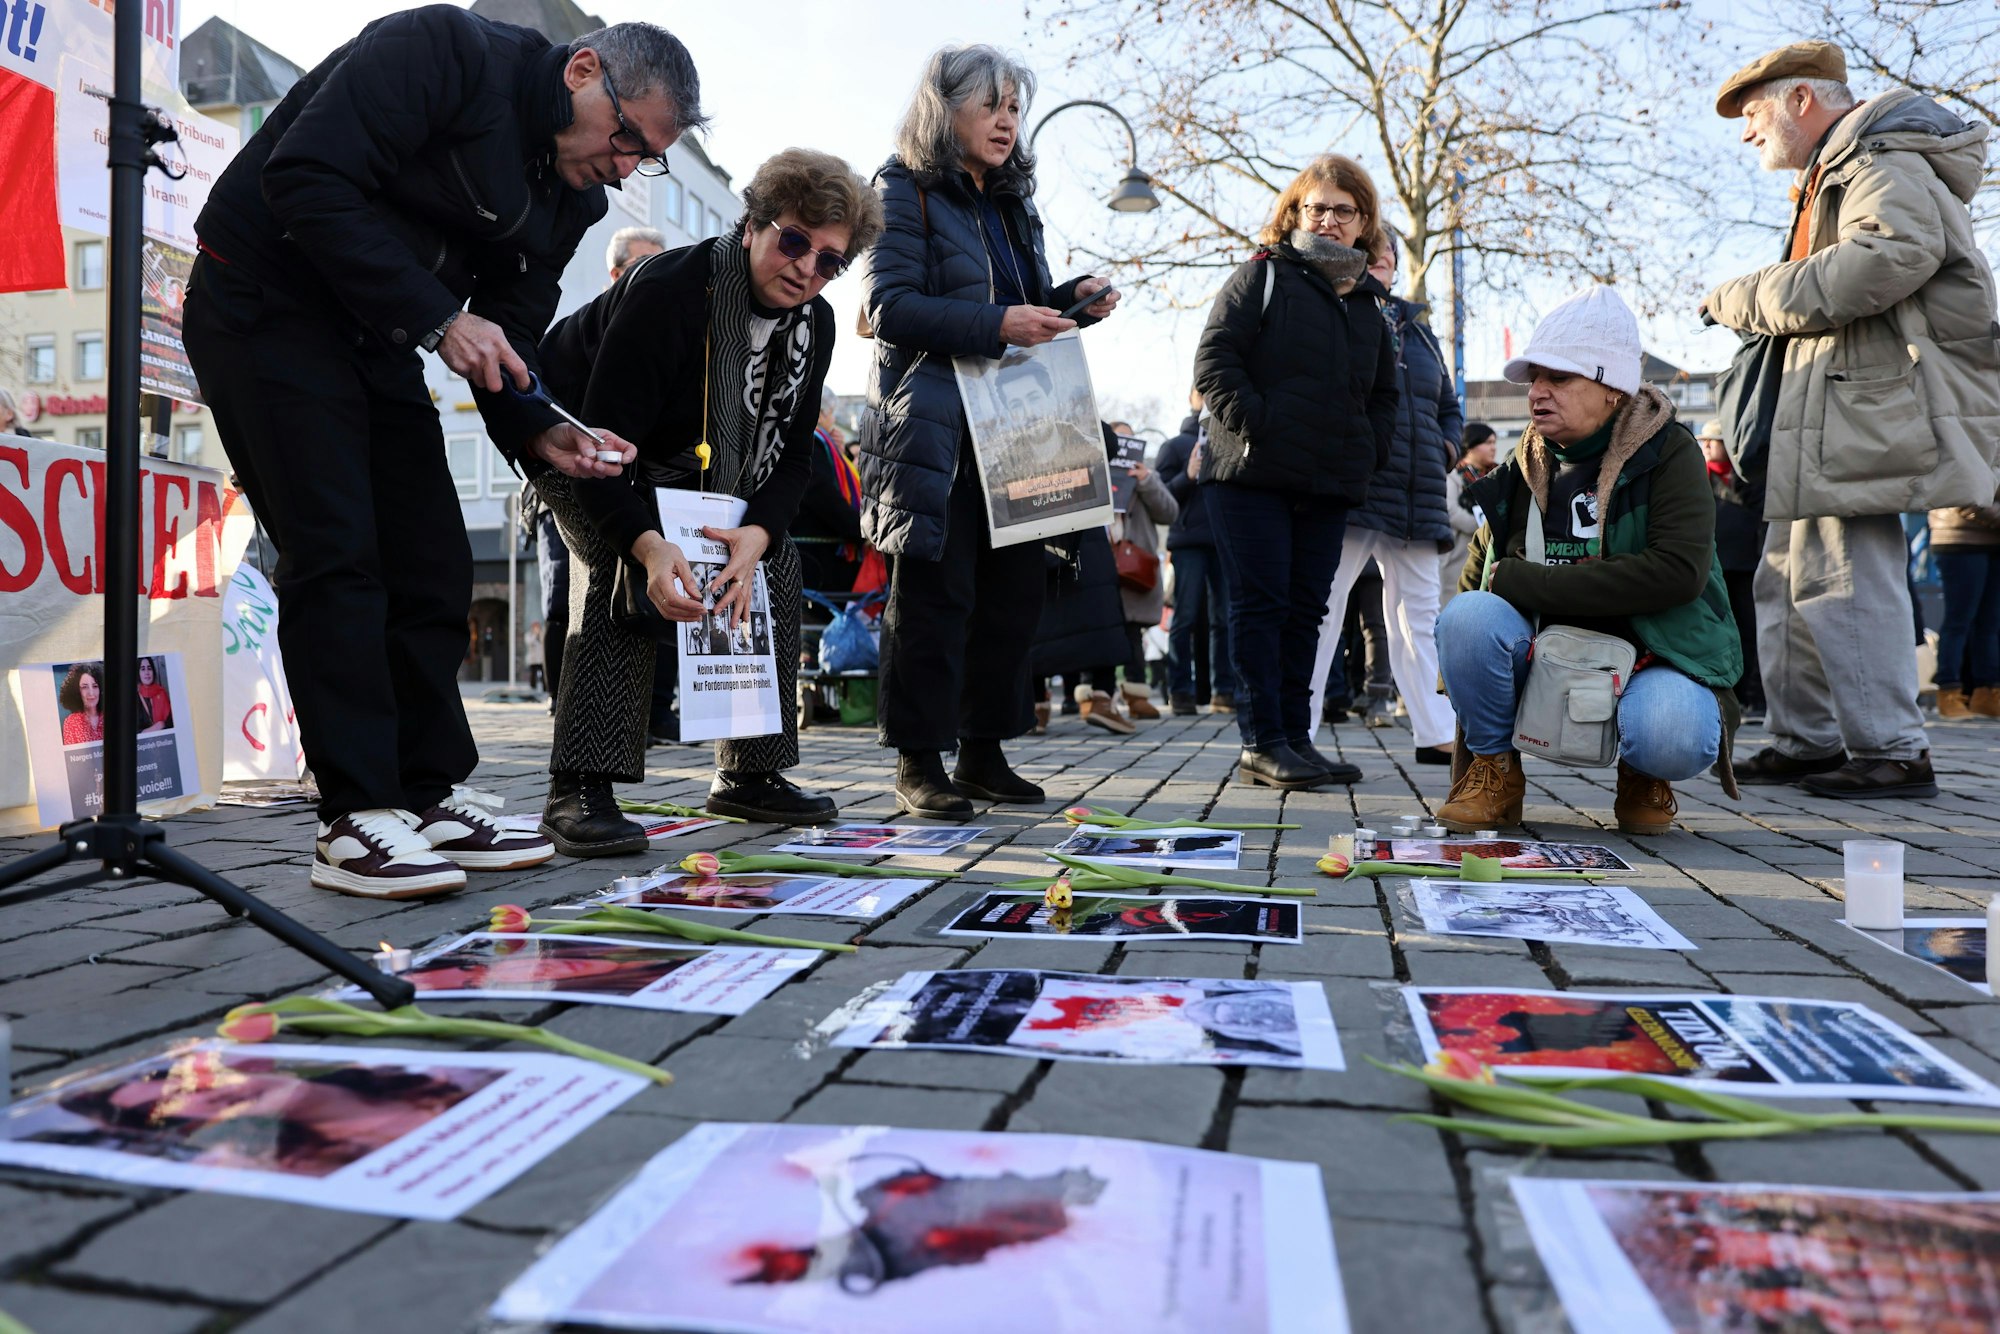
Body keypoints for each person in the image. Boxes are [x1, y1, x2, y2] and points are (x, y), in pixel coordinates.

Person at [183, 12, 701, 898]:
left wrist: (545, 424)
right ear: (582, 70)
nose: (623, 171)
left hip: (374, 333)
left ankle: (423, 795)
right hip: (261, 300)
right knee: (338, 547)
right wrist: (434, 315)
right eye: (625, 140)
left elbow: (510, 341)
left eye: (643, 159)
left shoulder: (572, 196)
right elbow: (303, 176)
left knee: (432, 554)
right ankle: (354, 814)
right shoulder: (442, 52)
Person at [532, 148, 881, 850]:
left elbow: (790, 457)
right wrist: (651, 545)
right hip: (577, 437)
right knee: (618, 565)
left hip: (699, 467)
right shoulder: (670, 287)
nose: (807, 269)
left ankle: (751, 776)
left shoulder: (815, 325)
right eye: (794, 241)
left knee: (770, 566)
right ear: (753, 224)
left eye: (829, 262)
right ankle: (579, 787)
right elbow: (605, 448)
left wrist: (757, 536)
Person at [1704, 41, 2000, 798]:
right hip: (1831, 410)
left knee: (1843, 575)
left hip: (1856, 412)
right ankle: (1808, 740)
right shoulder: (1852, 167)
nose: (1746, 134)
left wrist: (1752, 293)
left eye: (1754, 113)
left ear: (1802, 100)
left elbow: (1891, 257)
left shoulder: (1878, 162)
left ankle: (1893, 751)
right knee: (1789, 579)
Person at [858, 44, 1118, 819]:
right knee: (936, 596)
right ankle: (918, 759)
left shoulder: (1010, 201)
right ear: (947, 110)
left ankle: (983, 750)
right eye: (991, 105)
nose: (1007, 121)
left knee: (1012, 599)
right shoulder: (902, 187)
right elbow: (889, 307)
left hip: (1020, 426)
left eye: (1014, 108)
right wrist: (999, 321)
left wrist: (1069, 302)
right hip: (936, 423)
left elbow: (1020, 307)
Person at [1434, 286, 1743, 836]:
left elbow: (1676, 574)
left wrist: (1528, 582)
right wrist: (1466, 668)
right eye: (1534, 379)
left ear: (1612, 389)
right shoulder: (1524, 460)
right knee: (1465, 617)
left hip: (1653, 653)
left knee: (1671, 732)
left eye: (1559, 378)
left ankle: (1644, 772)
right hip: (1548, 652)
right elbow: (1482, 577)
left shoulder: (1671, 453)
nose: (1538, 393)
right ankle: (1494, 769)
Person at [1192, 153, 1395, 789]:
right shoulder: (1262, 277)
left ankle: (1296, 739)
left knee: (1307, 610)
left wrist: (1367, 450)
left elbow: (1384, 396)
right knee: (1262, 606)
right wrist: (1263, 426)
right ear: (1294, 214)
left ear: (1364, 223)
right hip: (1251, 476)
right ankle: (1263, 741)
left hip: (1327, 483)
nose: (1329, 220)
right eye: (1317, 208)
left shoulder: (1368, 303)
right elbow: (1214, 361)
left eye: (1344, 210)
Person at [1307, 235, 1461, 767]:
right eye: (1373, 255)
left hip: (1418, 491)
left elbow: (1447, 403)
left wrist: (1449, 444)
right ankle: (1293, 730)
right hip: (1357, 483)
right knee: (1321, 609)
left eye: (1390, 257)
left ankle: (1436, 732)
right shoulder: (1339, 311)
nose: (1383, 265)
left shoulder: (1420, 329)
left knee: (1420, 614)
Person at [1156, 392, 1236, 716]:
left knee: (1225, 619)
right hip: (1188, 541)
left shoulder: (1230, 442)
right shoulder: (1174, 446)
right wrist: (1187, 475)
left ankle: (1224, 692)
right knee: (1185, 616)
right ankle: (1180, 692)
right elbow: (1159, 498)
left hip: (1222, 541)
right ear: (1193, 397)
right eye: (1202, 391)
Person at [1697, 418, 1766, 721]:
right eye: (1705, 441)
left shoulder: (1750, 479)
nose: (1707, 446)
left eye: (1714, 440)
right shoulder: (1696, 478)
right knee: (1714, 632)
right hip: (1713, 568)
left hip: (1748, 567)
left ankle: (1749, 697)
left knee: (1749, 632)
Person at [1928, 493, 2000, 720]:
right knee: (1958, 621)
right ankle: (1949, 690)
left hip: (1994, 539)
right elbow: (1958, 490)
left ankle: (1986, 691)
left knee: (1990, 624)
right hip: (1959, 538)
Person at [793, 383, 867, 593]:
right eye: (832, 414)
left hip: (820, 556)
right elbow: (826, 497)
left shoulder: (821, 445)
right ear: (821, 414)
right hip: (818, 559)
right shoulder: (813, 445)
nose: (834, 421)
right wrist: (860, 530)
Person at [1441, 423, 1496, 611]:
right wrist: (1483, 526)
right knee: (1454, 605)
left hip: (1490, 552)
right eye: (1488, 442)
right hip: (1458, 555)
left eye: (1494, 442)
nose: (1493, 447)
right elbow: (1451, 510)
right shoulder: (1454, 476)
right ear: (1471, 446)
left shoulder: (1496, 476)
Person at [59, 663, 105, 745]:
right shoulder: (71, 723)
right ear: (77, 691)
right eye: (84, 687)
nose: (91, 693)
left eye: (95, 686)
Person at [135, 655, 172, 733]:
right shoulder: (135, 698)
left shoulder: (161, 693)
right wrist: (154, 728)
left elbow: (171, 724)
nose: (147, 673)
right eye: (142, 669)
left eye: (149, 668)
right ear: (138, 673)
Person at [523, 621, 545, 694]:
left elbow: (544, 642)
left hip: (541, 659)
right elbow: (529, 642)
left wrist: (539, 634)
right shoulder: (529, 635)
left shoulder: (542, 634)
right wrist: (535, 635)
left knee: (544, 674)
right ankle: (533, 687)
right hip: (533, 659)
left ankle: (545, 688)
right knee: (533, 674)